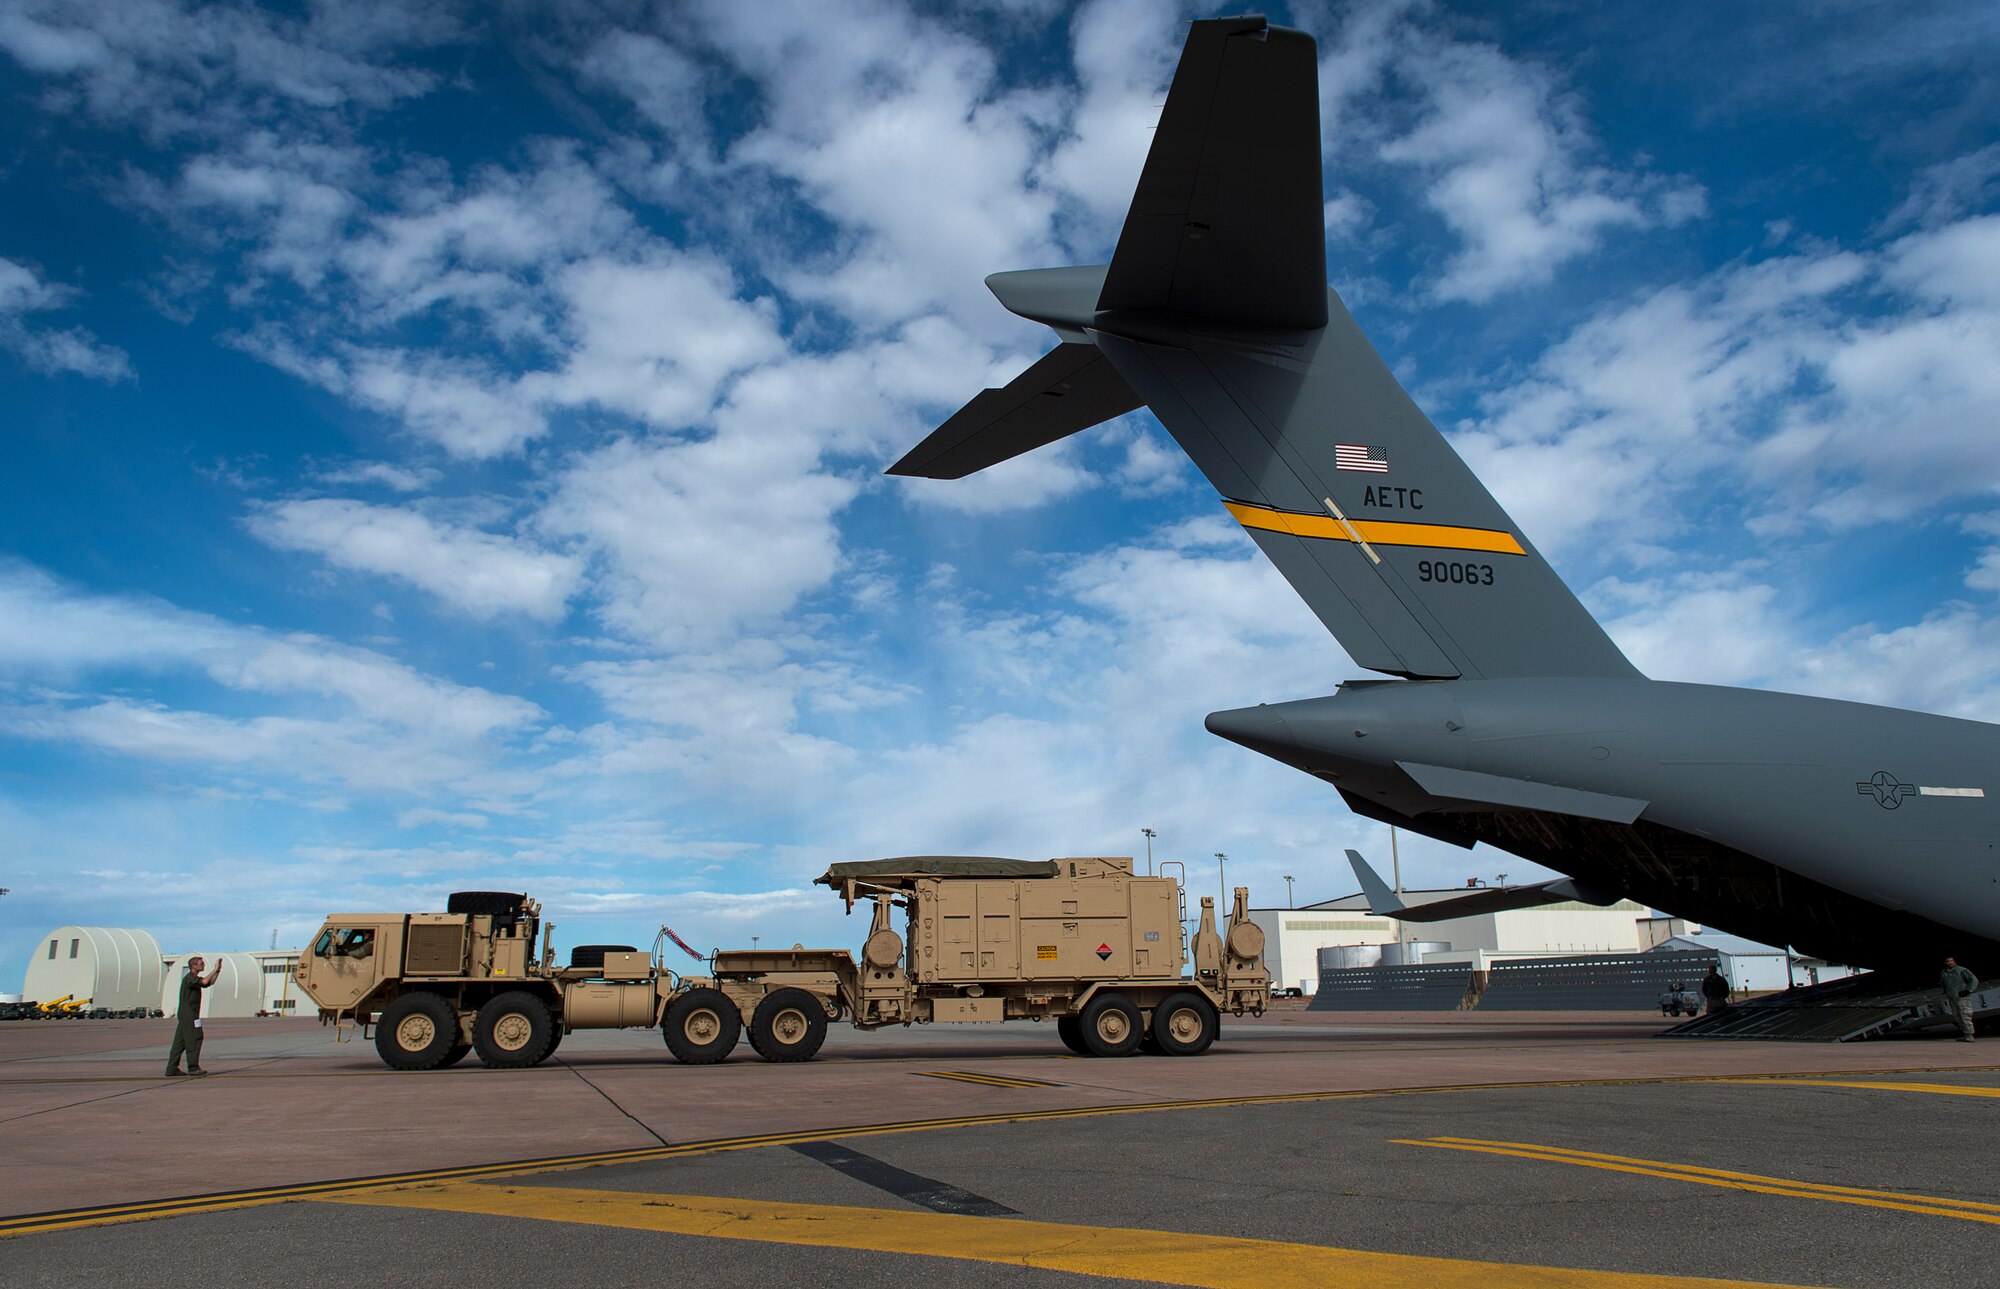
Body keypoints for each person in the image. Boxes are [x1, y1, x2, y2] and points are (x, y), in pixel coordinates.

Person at [165, 954, 222, 1076]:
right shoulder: (190, 978)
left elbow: (208, 983)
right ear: (193, 966)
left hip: (186, 1014)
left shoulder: (194, 979)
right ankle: (193, 1067)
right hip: (190, 1015)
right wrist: (214, 970)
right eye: (201, 964)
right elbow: (206, 980)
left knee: (179, 1043)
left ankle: (171, 1068)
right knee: (195, 1038)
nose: (203, 965)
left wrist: (218, 971)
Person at [1940, 956, 1979, 1042]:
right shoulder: (1944, 972)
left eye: (1951, 961)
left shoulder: (1961, 970)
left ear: (1954, 961)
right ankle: (1965, 1034)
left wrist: (1968, 990)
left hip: (1962, 997)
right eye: (1947, 961)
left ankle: (1970, 1035)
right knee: (1957, 1016)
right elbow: (1943, 983)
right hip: (1952, 998)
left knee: (1965, 1016)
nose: (1950, 963)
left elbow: (1974, 980)